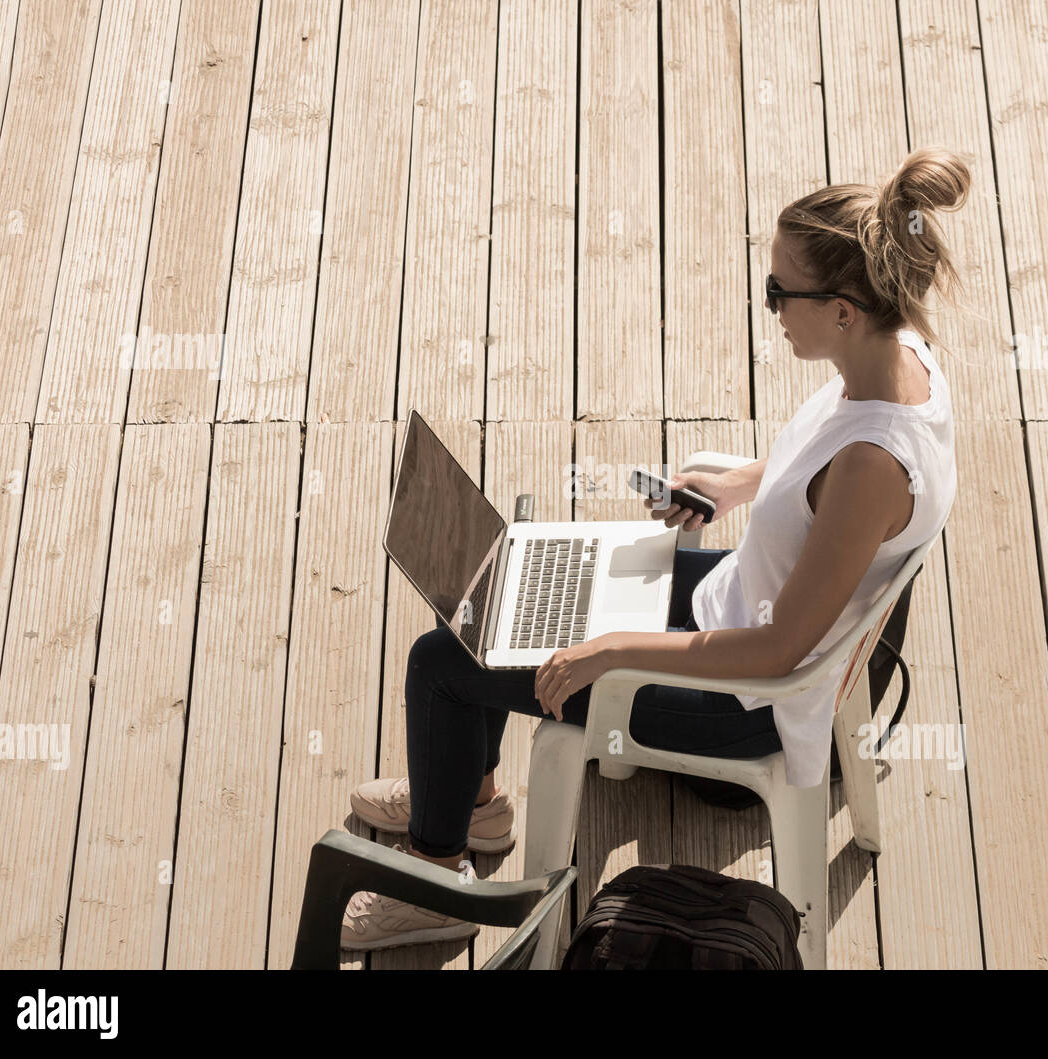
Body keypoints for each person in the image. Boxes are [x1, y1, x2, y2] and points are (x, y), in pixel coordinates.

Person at [340, 146, 970, 950]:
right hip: (740, 599)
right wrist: (738, 486)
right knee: (501, 595)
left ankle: (437, 877)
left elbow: (779, 650)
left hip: (750, 701)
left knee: (442, 662)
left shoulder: (873, 468)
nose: (771, 306)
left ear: (843, 308)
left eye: (779, 290)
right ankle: (473, 804)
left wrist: (611, 650)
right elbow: (818, 472)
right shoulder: (899, 351)